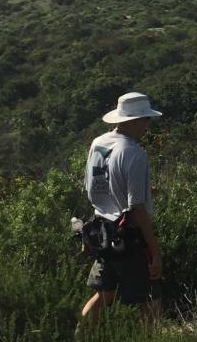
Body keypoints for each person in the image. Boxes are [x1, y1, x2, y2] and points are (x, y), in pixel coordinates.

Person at [80, 92, 163, 324]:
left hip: (101, 232)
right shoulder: (134, 153)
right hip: (129, 235)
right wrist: (155, 253)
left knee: (104, 293)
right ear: (135, 120)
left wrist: (147, 190)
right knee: (150, 300)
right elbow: (136, 208)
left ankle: (80, 336)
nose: (148, 126)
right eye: (146, 119)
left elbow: (95, 185)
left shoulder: (98, 143)